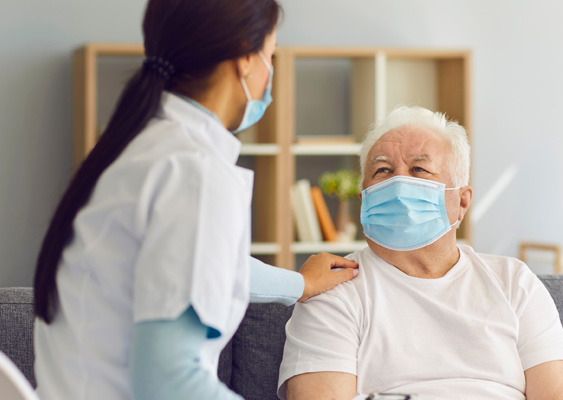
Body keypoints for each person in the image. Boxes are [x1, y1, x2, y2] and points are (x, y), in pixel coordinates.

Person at [32, 0, 358, 399]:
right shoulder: (194, 171)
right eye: (270, 55)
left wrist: (299, 284)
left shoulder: (139, 148)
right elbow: (170, 381)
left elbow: (199, 265)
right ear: (245, 60)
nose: (270, 72)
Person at [277, 106, 563, 400]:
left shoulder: (514, 282)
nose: (399, 182)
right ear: (363, 198)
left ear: (462, 202)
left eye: (419, 169)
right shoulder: (332, 288)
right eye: (382, 170)